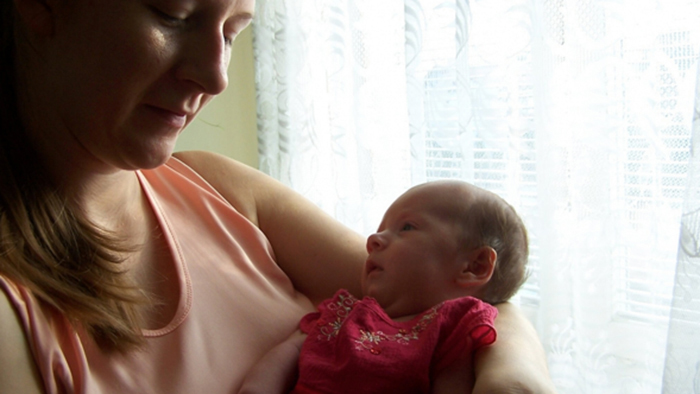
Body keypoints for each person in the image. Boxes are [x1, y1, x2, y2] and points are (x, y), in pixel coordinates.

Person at [0, 0, 556, 393]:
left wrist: (517, 374)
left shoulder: (219, 187)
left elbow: (461, 296)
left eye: (233, 30)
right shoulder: (14, 315)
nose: (216, 75)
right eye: (173, 15)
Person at [237, 180, 529, 394]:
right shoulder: (342, 312)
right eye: (380, 228)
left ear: (473, 266)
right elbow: (286, 354)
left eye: (406, 228)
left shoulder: (449, 328)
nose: (373, 240)